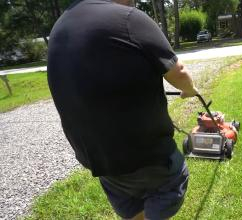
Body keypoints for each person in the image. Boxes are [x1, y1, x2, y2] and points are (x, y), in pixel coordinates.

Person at [47, 0, 198, 219]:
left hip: (98, 159)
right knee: (175, 181)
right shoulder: (128, 18)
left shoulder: (61, 25)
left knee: (132, 205)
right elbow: (179, 72)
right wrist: (190, 90)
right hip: (146, 155)